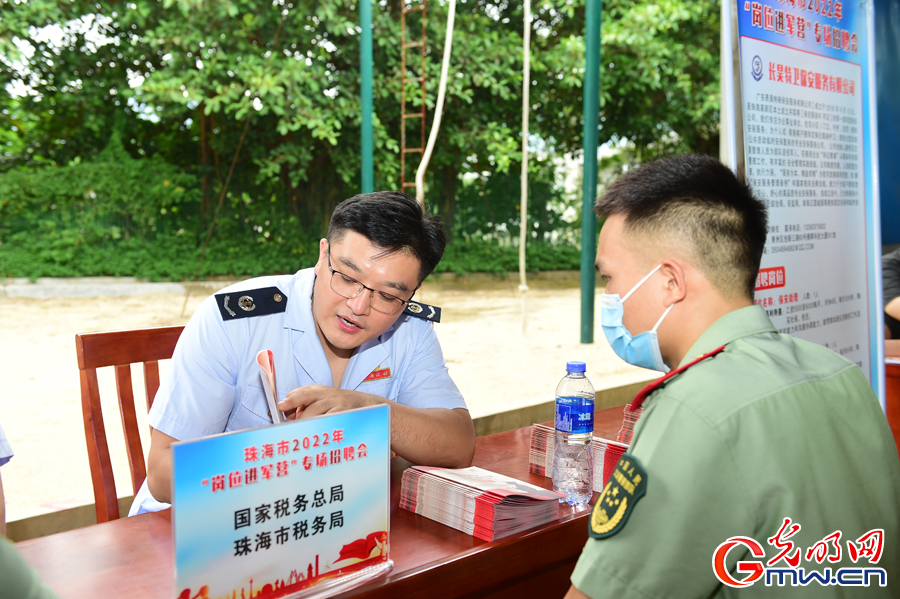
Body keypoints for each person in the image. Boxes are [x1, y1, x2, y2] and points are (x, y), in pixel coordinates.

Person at [566, 155, 900, 598]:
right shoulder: (839, 373)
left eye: (608, 277)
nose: (608, 297)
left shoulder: (694, 409)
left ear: (669, 281)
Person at [132, 191, 475, 514]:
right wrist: (293, 449)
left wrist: (371, 412)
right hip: (197, 524)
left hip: (324, 516)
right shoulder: (235, 319)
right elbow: (163, 474)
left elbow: (458, 445)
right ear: (322, 255)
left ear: (411, 294)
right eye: (347, 276)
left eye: (387, 296)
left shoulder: (409, 328)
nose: (358, 306)